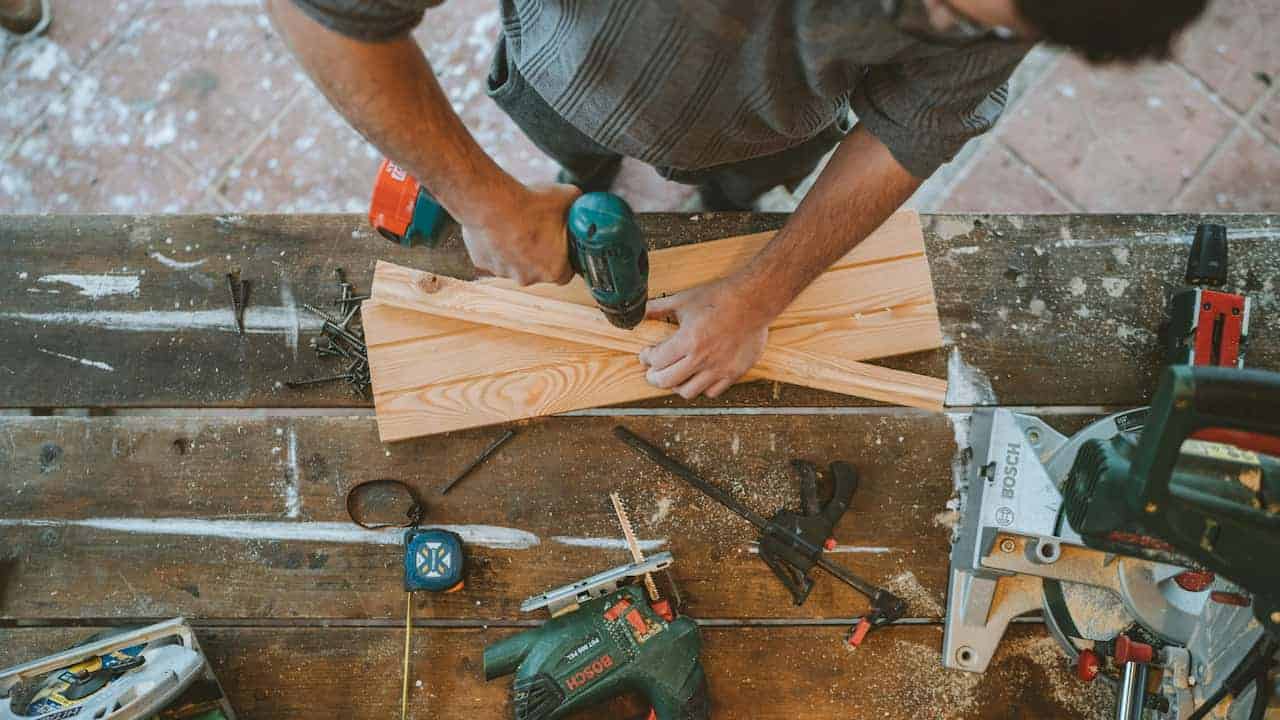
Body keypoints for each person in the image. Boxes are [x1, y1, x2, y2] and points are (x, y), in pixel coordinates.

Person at [268, 0, 1209, 399]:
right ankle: (586, 173)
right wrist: (484, 202)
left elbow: (917, 123)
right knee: (572, 149)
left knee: (729, 190)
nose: (951, 32)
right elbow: (328, 18)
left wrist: (759, 294)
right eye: (964, 15)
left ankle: (694, 180)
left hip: (768, 132)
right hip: (568, 75)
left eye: (979, 27)